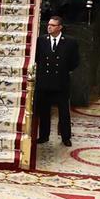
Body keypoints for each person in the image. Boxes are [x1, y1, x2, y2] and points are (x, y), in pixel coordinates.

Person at [36, 15, 80, 146]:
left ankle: (66, 137)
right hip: (44, 81)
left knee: (64, 111)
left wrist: (63, 70)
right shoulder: (41, 40)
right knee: (44, 110)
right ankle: (44, 136)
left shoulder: (70, 42)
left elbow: (75, 61)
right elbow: (37, 58)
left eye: (53, 25)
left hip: (61, 82)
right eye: (49, 24)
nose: (49, 27)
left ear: (60, 27)